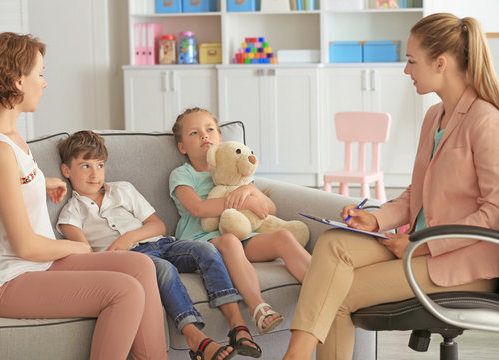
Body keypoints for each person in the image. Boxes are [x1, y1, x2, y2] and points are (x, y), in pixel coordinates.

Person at [283, 13, 499, 360]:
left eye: (412, 61)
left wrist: (423, 245)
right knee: (334, 242)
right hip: (417, 245)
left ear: (440, 63)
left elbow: (494, 213)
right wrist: (377, 219)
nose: (406, 70)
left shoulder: (486, 120)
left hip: (463, 265)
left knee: (338, 297)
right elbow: (417, 192)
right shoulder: (434, 116)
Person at [0, 32, 167, 360]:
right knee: (125, 291)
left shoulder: (4, 135)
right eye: (40, 74)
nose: (43, 83)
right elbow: (26, 246)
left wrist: (42, 182)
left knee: (141, 266)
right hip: (0, 280)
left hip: (31, 267)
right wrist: (77, 247)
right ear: (18, 81)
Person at [57, 130, 263, 360]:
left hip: (163, 244)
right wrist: (121, 249)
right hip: (134, 261)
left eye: (100, 165)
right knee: (165, 270)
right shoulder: (70, 213)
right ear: (67, 170)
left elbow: (157, 226)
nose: (95, 174)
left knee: (207, 249)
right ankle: (195, 338)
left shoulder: (123, 189)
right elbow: (85, 255)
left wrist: (129, 237)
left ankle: (238, 326)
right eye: (85, 166)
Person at [169, 107, 312, 335]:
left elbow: (270, 209)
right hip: (203, 242)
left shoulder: (238, 171)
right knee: (230, 241)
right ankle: (259, 308)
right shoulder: (183, 174)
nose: (204, 135)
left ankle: (326, 290)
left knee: (283, 237)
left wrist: (248, 189)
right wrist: (242, 202)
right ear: (182, 147)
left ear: (220, 138)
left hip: (243, 235)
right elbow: (198, 208)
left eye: (210, 129)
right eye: (194, 133)